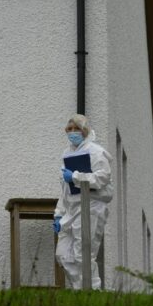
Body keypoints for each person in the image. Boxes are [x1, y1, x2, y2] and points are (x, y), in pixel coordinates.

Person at [53, 113, 113, 290]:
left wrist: (76, 177)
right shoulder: (67, 154)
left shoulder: (96, 152)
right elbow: (65, 190)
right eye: (69, 129)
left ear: (84, 130)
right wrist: (58, 214)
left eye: (76, 129)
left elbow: (102, 178)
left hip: (91, 206)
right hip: (71, 208)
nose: (72, 132)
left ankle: (91, 290)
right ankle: (79, 288)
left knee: (83, 253)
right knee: (63, 254)